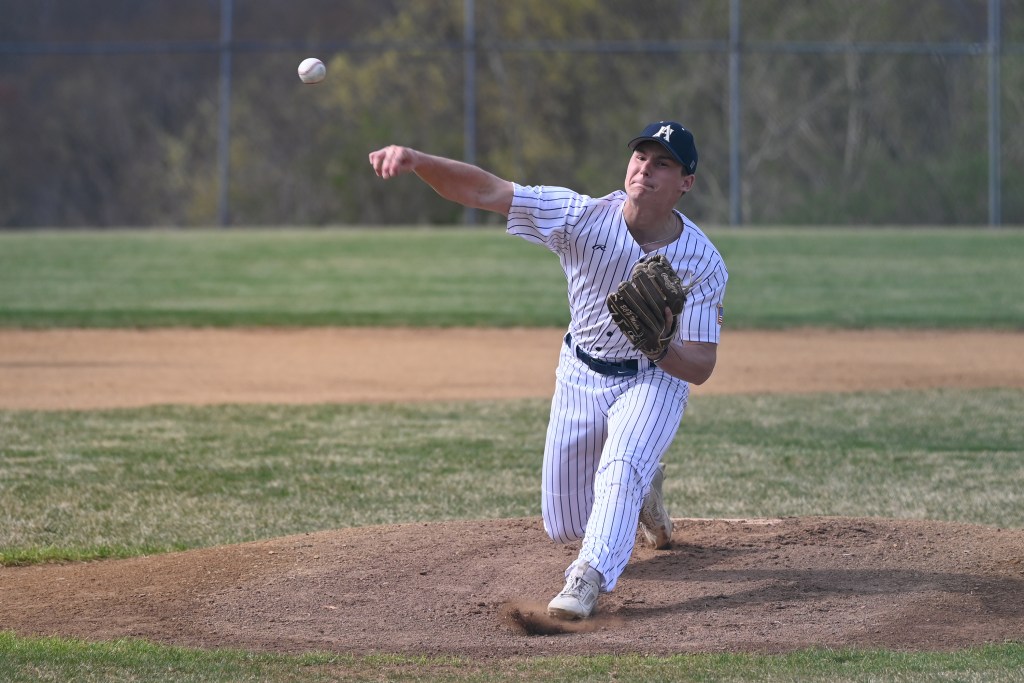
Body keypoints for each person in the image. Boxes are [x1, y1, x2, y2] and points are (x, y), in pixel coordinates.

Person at [368, 121, 728, 620]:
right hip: (581, 372)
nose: (645, 168)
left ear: (685, 182)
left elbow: (702, 366)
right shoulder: (581, 217)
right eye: (641, 157)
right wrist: (418, 160)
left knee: (619, 467)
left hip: (653, 378)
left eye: (663, 162)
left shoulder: (703, 262)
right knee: (563, 525)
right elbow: (487, 189)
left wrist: (661, 348)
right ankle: (644, 491)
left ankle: (587, 579)